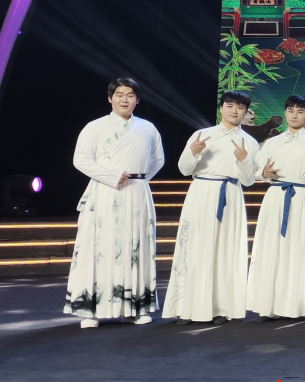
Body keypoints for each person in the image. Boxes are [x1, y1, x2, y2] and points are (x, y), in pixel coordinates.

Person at [65, 77, 164, 329]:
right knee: (99, 247)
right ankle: (92, 311)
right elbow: (81, 159)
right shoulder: (95, 127)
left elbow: (157, 160)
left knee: (135, 247)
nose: (124, 99)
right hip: (104, 193)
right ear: (110, 98)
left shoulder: (148, 128)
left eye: (130, 95)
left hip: (137, 194)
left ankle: (134, 309)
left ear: (137, 100)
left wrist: (139, 180)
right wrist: (111, 176)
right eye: (119, 94)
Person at [163, 90, 258, 323]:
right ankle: (187, 308)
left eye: (240, 107)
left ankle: (222, 308)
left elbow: (249, 181)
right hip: (201, 193)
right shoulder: (202, 135)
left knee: (225, 251)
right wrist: (192, 152)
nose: (234, 110)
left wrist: (243, 159)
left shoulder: (250, 142)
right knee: (194, 247)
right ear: (221, 107)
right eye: (230, 105)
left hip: (230, 195)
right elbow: (184, 169)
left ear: (246, 112)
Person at [245, 95, 305, 320]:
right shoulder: (272, 142)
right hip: (274, 197)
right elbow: (257, 171)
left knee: (296, 251)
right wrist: (264, 173)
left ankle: (293, 306)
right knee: (270, 249)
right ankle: (268, 306)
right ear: (285, 112)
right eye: (291, 110)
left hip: (299, 197)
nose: (294, 115)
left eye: (300, 111)